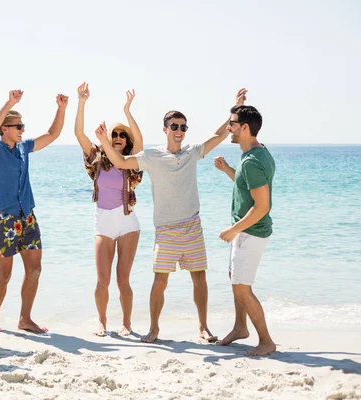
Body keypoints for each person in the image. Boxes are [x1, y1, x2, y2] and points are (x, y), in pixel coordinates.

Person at [95, 88, 248, 343]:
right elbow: (121, 163)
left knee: (199, 277)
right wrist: (103, 143)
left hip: (192, 225)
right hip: (165, 230)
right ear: (165, 129)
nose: (179, 130)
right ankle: (154, 329)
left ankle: (202, 327)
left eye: (183, 126)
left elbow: (219, 135)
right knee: (160, 281)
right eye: (174, 125)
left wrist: (235, 108)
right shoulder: (152, 156)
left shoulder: (192, 151)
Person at [0, 89, 68, 334]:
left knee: (35, 270)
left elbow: (52, 134)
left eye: (23, 126)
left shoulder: (23, 148)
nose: (22, 130)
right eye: (18, 126)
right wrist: (9, 102)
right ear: (4, 129)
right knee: (4, 274)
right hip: (4, 218)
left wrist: (60, 109)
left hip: (27, 216)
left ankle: (25, 319)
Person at [74, 82, 143, 337]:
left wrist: (127, 111)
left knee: (122, 279)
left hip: (127, 223)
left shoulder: (131, 164)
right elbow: (80, 134)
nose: (117, 138)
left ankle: (126, 324)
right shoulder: (96, 161)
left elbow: (141, 142)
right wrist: (81, 102)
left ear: (126, 143)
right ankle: (102, 322)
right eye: (114, 135)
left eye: (122, 136)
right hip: (103, 222)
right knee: (102, 279)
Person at [214, 103, 276, 356]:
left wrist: (233, 230)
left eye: (232, 124)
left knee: (242, 287)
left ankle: (266, 341)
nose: (228, 127)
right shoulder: (256, 153)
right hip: (245, 231)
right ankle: (240, 327)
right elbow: (246, 189)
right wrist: (228, 170)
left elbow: (262, 206)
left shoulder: (251, 161)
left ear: (245, 128)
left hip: (251, 232)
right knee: (235, 279)